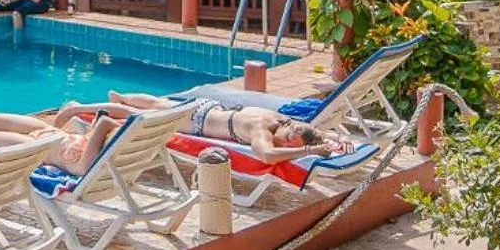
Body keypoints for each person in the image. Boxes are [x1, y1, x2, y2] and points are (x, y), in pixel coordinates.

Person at [0, 99, 150, 178]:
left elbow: (106, 123)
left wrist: (114, 128)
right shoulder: (103, 144)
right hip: (52, 134)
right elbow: (113, 116)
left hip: (37, 148)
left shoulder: (84, 164)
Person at [105, 90, 351, 163]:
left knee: (160, 102)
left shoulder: (281, 120)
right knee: (139, 115)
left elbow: (313, 132)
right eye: (287, 140)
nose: (283, 144)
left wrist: (338, 139)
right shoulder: (260, 130)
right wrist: (308, 151)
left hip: (209, 106)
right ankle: (108, 107)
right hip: (196, 121)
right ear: (290, 129)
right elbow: (266, 155)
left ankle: (122, 96)